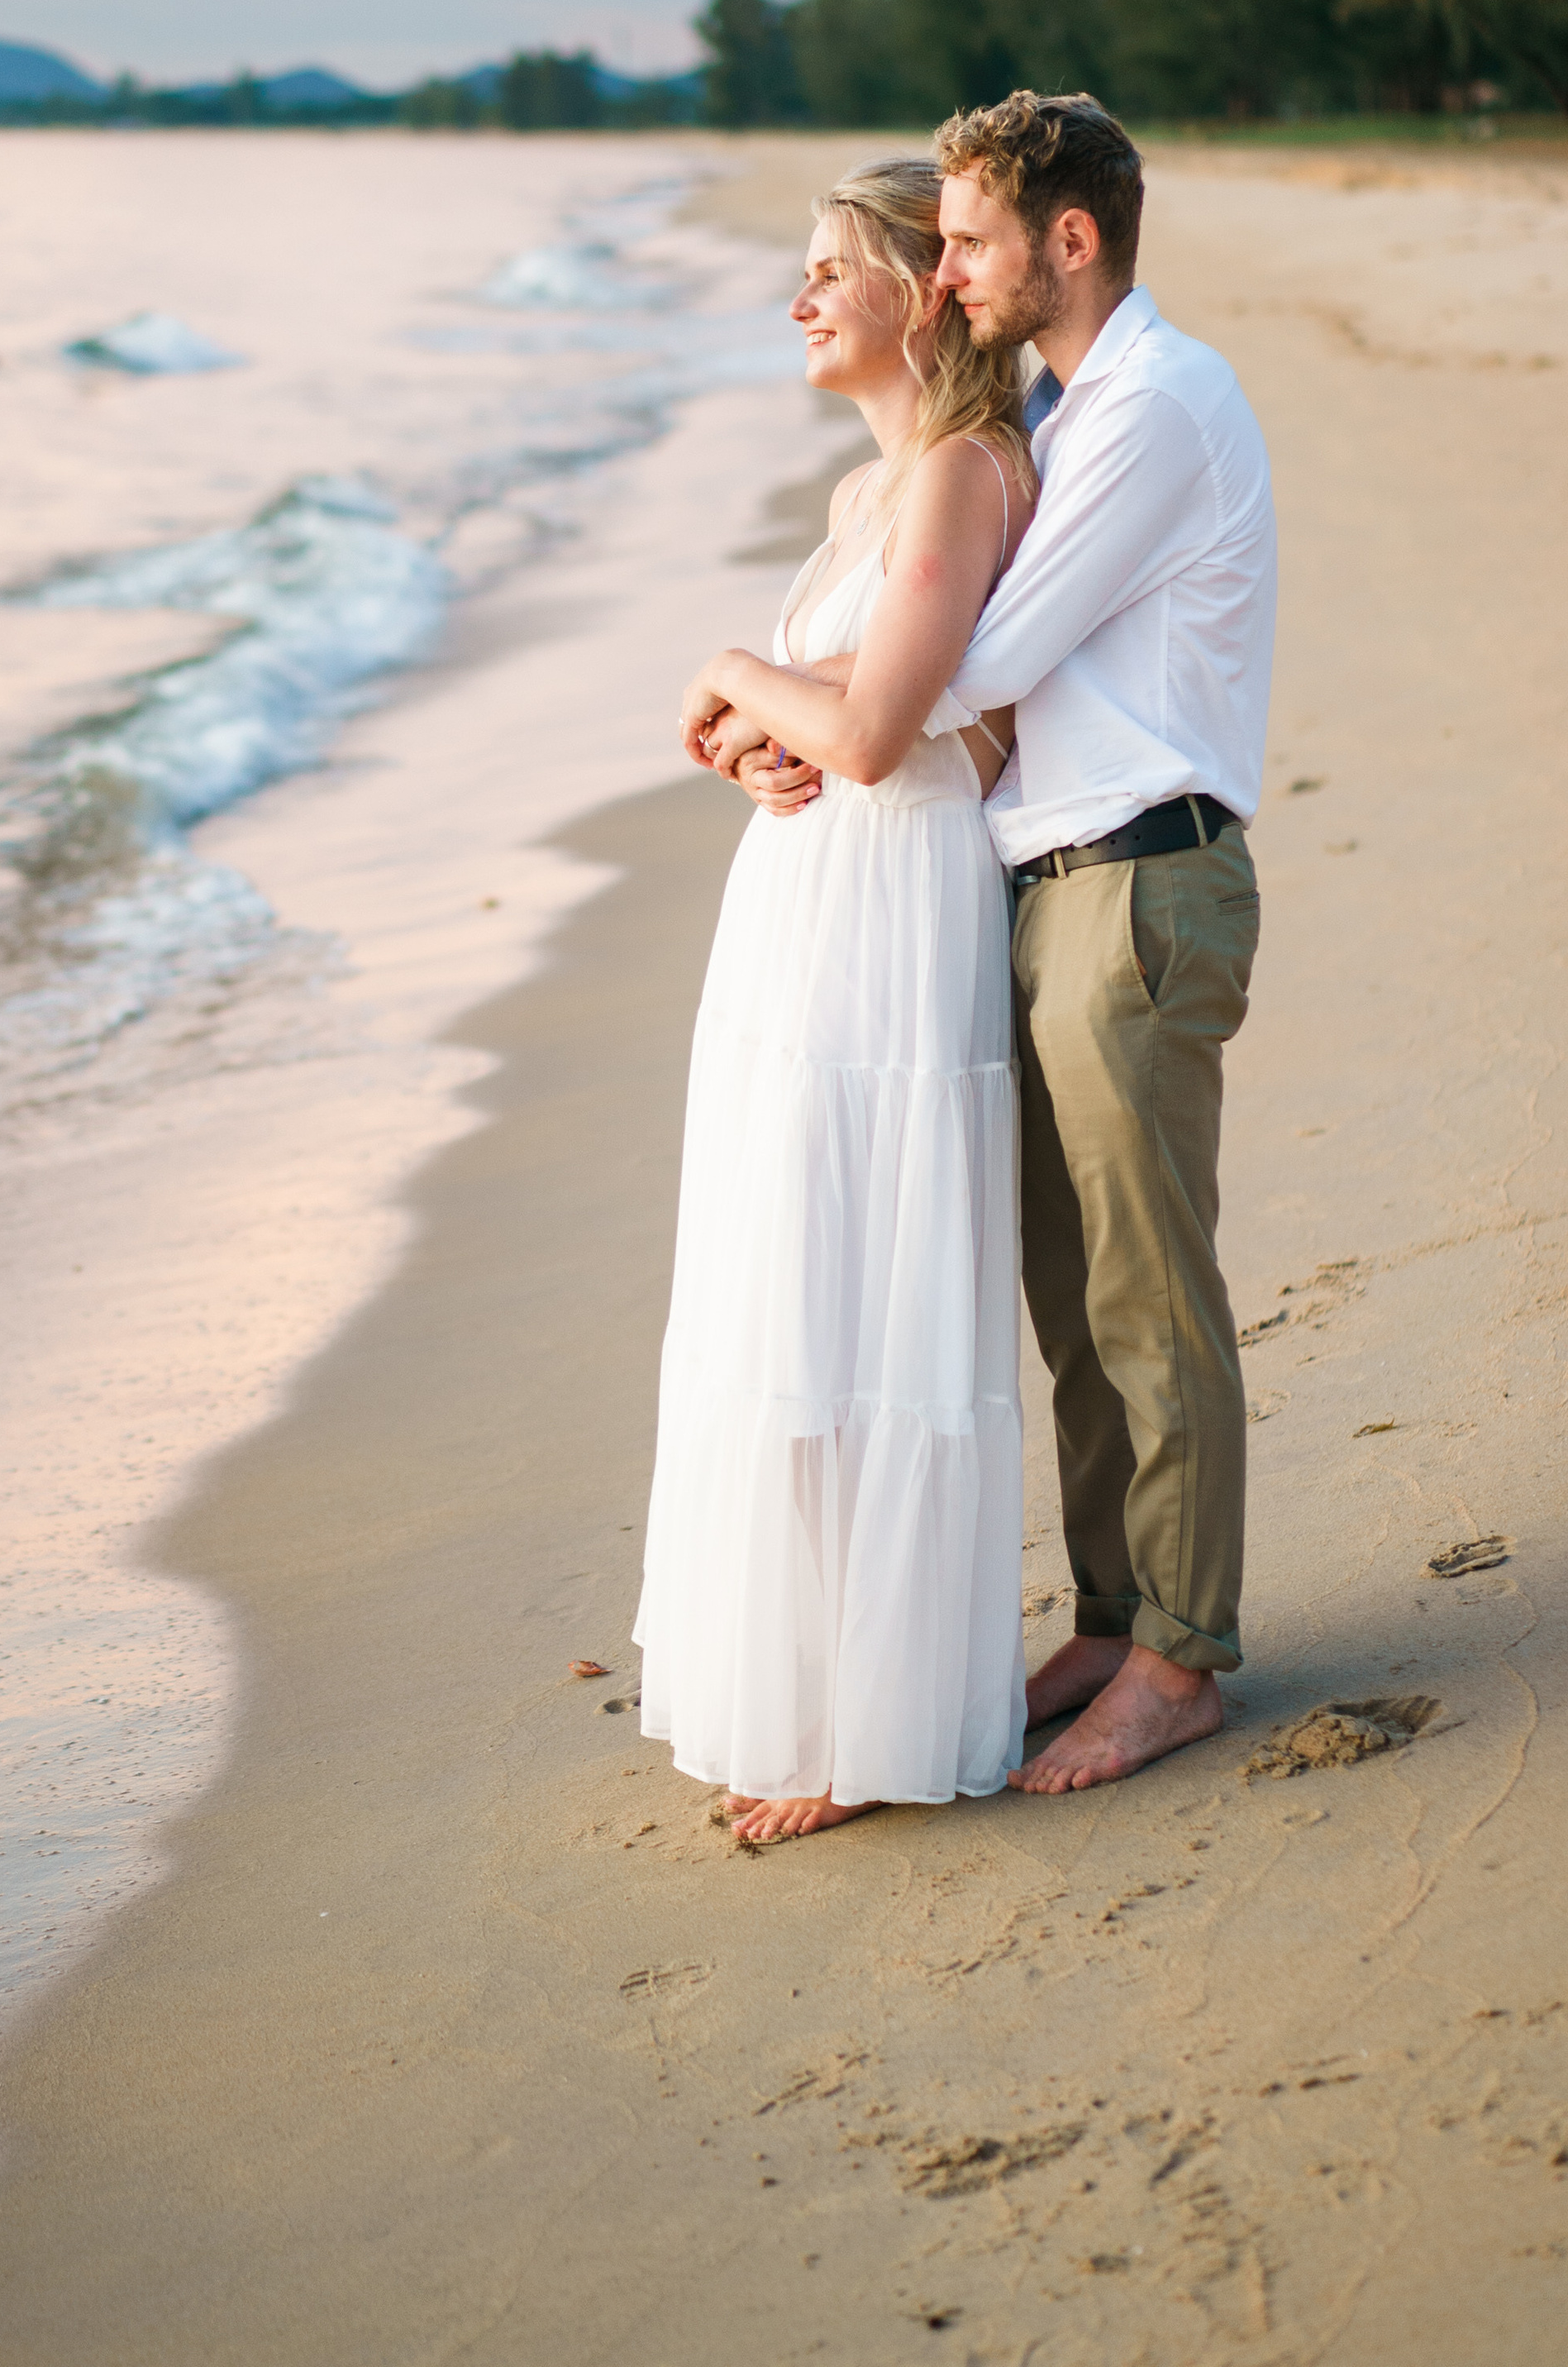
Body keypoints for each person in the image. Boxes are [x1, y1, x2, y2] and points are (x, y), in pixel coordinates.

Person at [735, 94, 1274, 1795]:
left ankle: (1180, 1656)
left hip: (1137, 871)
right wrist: (808, 728)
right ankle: (1115, 1615)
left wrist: (790, 709)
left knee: (1141, 1287)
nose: (950, 267)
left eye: (966, 239)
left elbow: (969, 671)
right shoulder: (1064, 403)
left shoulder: (1155, 407)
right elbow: (935, 696)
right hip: (1040, 881)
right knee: (1066, 1291)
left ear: (1070, 238)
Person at [634, 160, 1037, 1846]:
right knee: (782, 1279)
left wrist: (730, 675)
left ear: (915, 293)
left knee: (857, 1292)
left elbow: (880, 738)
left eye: (826, 270)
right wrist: (748, 736)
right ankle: (799, 1686)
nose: (796, 298)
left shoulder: (959, 474)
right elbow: (832, 721)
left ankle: (859, 1718)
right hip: (801, 916)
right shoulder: (857, 503)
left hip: (890, 912)